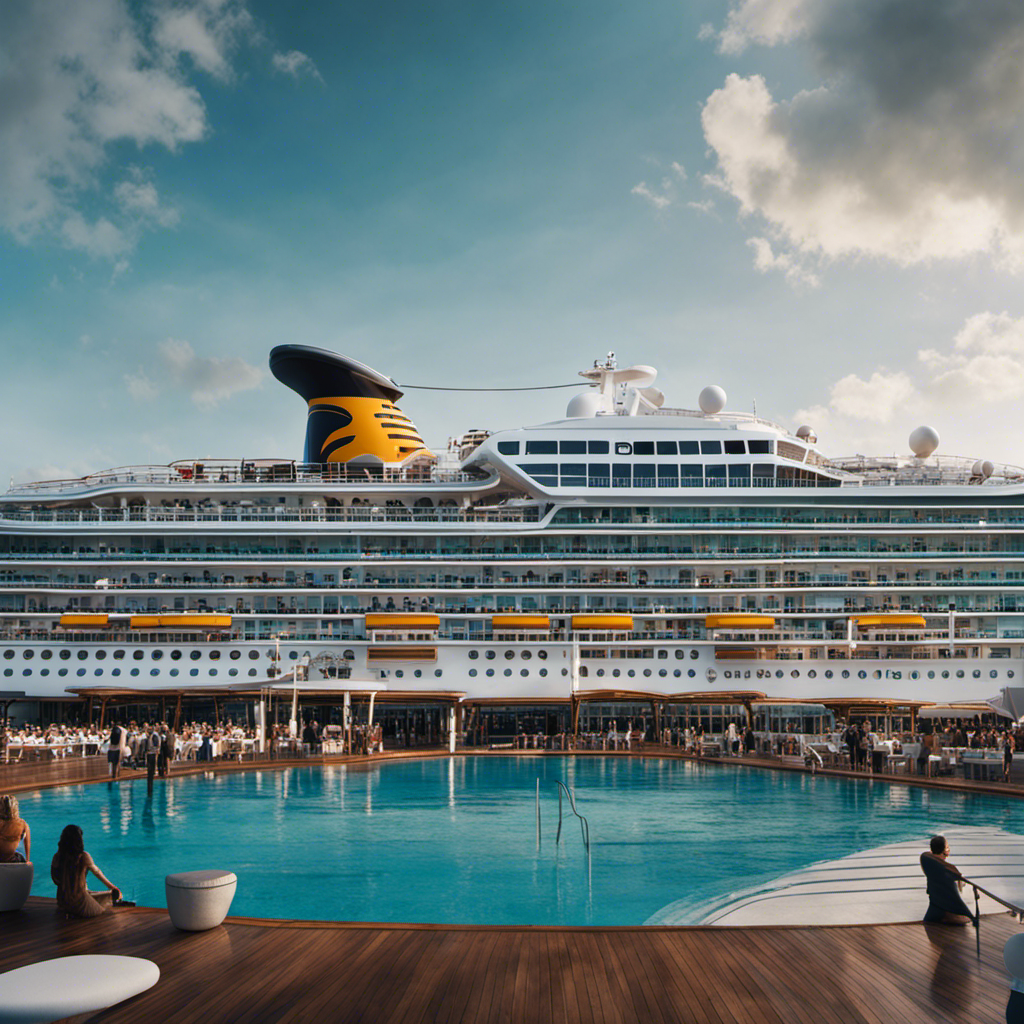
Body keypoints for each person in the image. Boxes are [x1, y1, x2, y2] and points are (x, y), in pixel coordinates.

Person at [50, 824, 123, 917]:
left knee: (95, 894)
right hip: (80, 903)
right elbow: (97, 873)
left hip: (62, 901)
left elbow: (55, 879)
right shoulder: (83, 857)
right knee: (107, 904)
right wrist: (113, 887)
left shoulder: (57, 857)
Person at [920, 835, 977, 926]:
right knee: (964, 919)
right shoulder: (948, 871)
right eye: (947, 847)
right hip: (944, 906)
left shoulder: (925, 859)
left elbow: (928, 854)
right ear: (945, 850)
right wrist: (971, 916)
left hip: (935, 901)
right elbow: (956, 899)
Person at [0, 795, 30, 863]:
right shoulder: (23, 824)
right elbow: (27, 842)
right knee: (20, 856)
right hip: (11, 859)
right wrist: (28, 859)